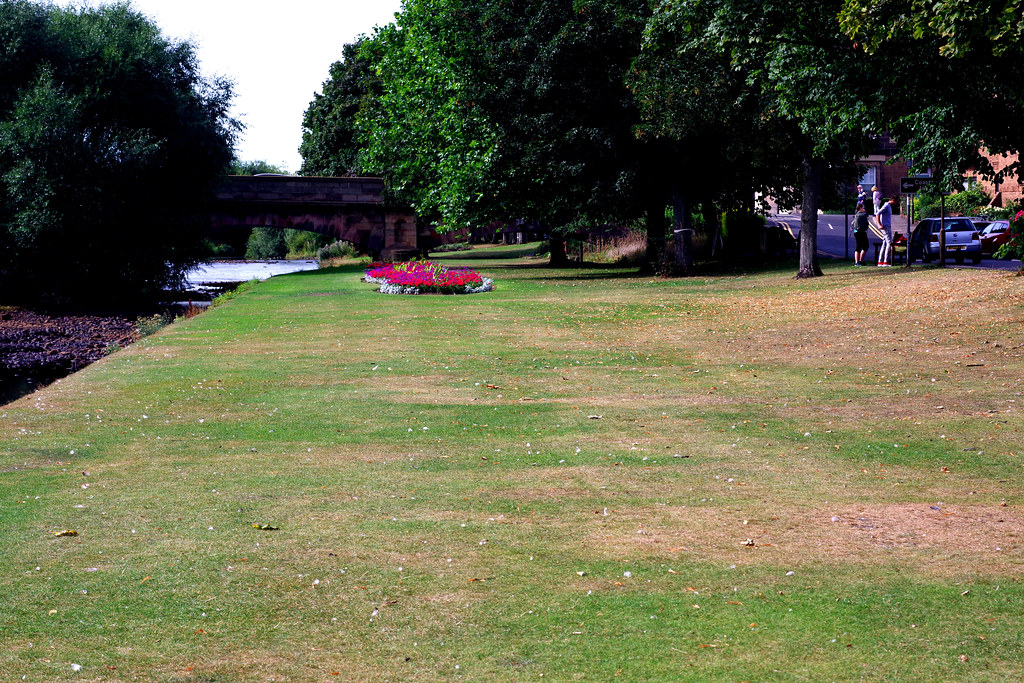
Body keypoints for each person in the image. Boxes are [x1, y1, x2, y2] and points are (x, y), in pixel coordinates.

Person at [874, 196, 896, 266]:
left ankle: (880, 261)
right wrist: (879, 224)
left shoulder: (888, 206)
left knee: (884, 243)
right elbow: (877, 213)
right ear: (892, 199)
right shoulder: (886, 205)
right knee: (889, 243)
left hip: (887, 226)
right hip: (885, 226)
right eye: (896, 201)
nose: (896, 203)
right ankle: (886, 261)